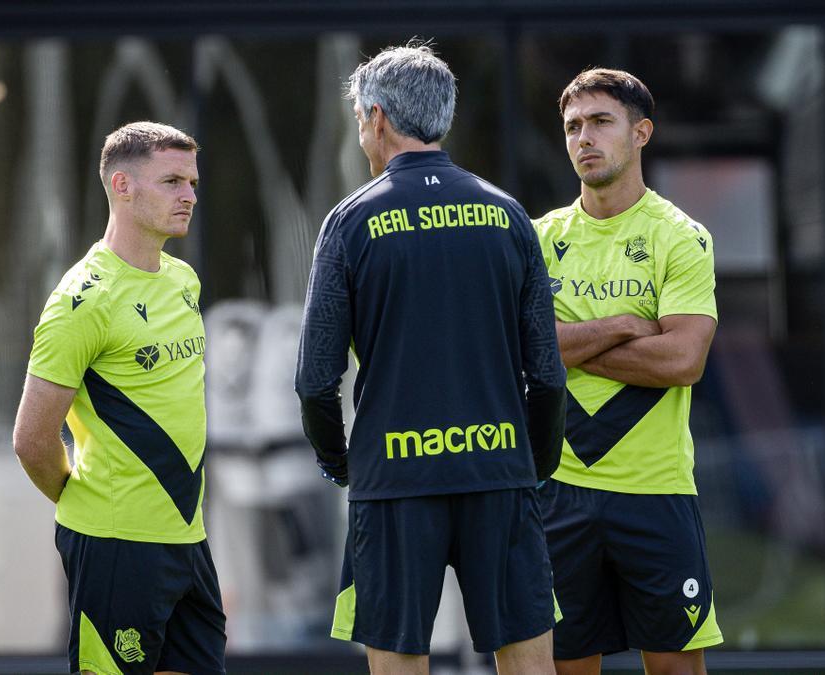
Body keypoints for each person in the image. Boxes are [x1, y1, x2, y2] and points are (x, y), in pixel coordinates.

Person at [295, 42, 567, 675]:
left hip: (394, 481)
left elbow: (315, 379)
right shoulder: (507, 216)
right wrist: (531, 462)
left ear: (379, 117)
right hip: (498, 473)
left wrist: (342, 463)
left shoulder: (351, 221)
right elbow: (547, 372)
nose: (362, 133)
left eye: (361, 120)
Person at [13, 121, 226, 675]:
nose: (189, 196)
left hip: (188, 536)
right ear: (122, 186)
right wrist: (86, 506)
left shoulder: (183, 279)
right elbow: (32, 440)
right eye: (172, 181)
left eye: (193, 183)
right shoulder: (82, 302)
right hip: (116, 544)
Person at [533, 69, 724, 675]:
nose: (583, 138)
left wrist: (567, 345)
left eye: (600, 122)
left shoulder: (681, 238)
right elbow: (520, 353)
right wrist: (624, 325)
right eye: (572, 127)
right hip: (559, 490)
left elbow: (682, 360)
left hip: (656, 491)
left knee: (673, 668)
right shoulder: (536, 240)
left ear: (641, 133)